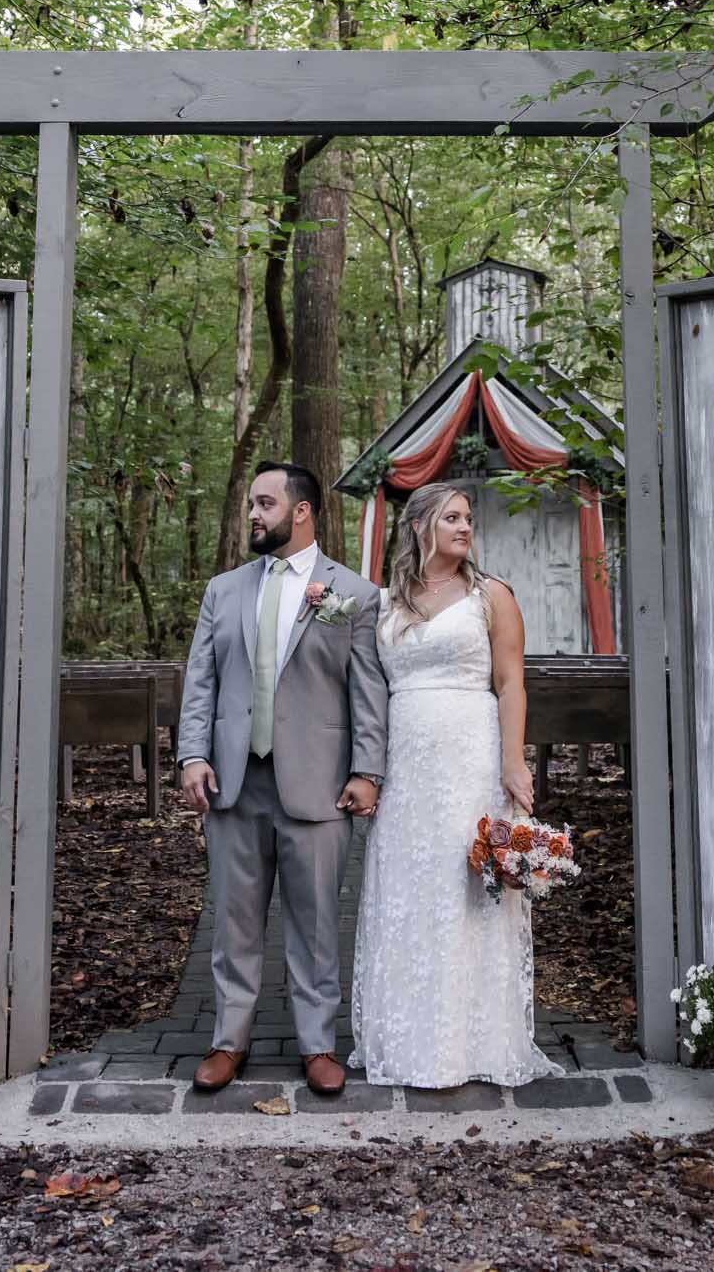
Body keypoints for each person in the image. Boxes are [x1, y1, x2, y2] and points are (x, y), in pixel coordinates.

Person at [174, 461, 387, 1096]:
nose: (253, 515)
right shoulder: (225, 589)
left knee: (317, 921)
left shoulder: (352, 595)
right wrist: (192, 756)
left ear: (301, 511)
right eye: (251, 505)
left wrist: (368, 769)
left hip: (318, 782)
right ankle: (228, 1040)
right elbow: (201, 681)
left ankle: (318, 1042)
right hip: (235, 781)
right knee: (234, 920)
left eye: (264, 503)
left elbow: (367, 690)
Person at [348, 480, 560, 1088]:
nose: (465, 528)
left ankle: (476, 1046)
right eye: (452, 518)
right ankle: (407, 1040)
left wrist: (513, 761)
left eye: (468, 518)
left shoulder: (492, 595)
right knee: (408, 891)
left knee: (469, 892)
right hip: (408, 761)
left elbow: (511, 681)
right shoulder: (385, 602)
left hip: (471, 753)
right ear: (420, 527)